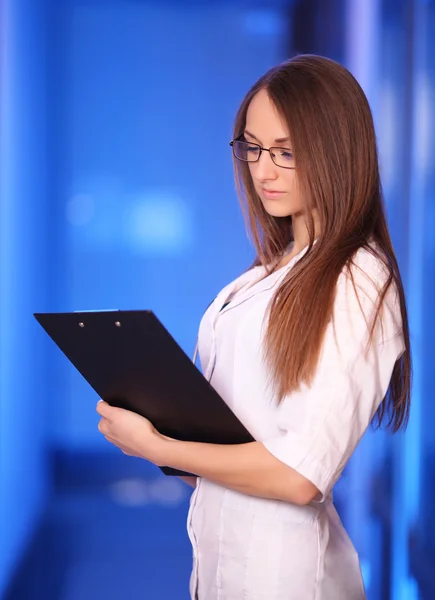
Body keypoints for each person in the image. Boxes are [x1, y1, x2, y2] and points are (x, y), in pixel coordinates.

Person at [96, 54, 411, 599]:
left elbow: (299, 476)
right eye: (253, 148)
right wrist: (165, 430)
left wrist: (160, 448)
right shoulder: (263, 276)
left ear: (336, 151)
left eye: (286, 153)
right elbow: (225, 453)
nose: (262, 171)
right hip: (218, 569)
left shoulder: (359, 279)